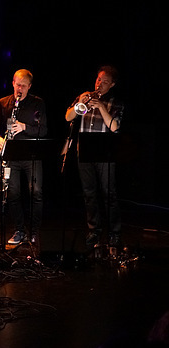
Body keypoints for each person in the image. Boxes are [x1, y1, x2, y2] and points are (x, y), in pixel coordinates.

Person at [65, 65, 124, 248]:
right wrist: (78, 103)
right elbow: (68, 117)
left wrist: (100, 107)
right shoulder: (85, 96)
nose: (100, 84)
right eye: (99, 80)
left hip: (105, 152)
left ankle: (114, 233)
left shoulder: (115, 102)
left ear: (112, 84)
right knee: (89, 194)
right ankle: (94, 231)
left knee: (109, 194)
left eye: (105, 82)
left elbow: (115, 127)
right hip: (84, 150)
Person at [0, 69, 48, 245]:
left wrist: (24, 127)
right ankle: (19, 230)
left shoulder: (38, 103)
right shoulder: (4, 102)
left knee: (36, 193)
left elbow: (43, 130)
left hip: (31, 155)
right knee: (12, 194)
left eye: (23, 85)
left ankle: (35, 232)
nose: (19, 88)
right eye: (17, 84)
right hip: (11, 156)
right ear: (13, 83)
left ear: (29, 87)